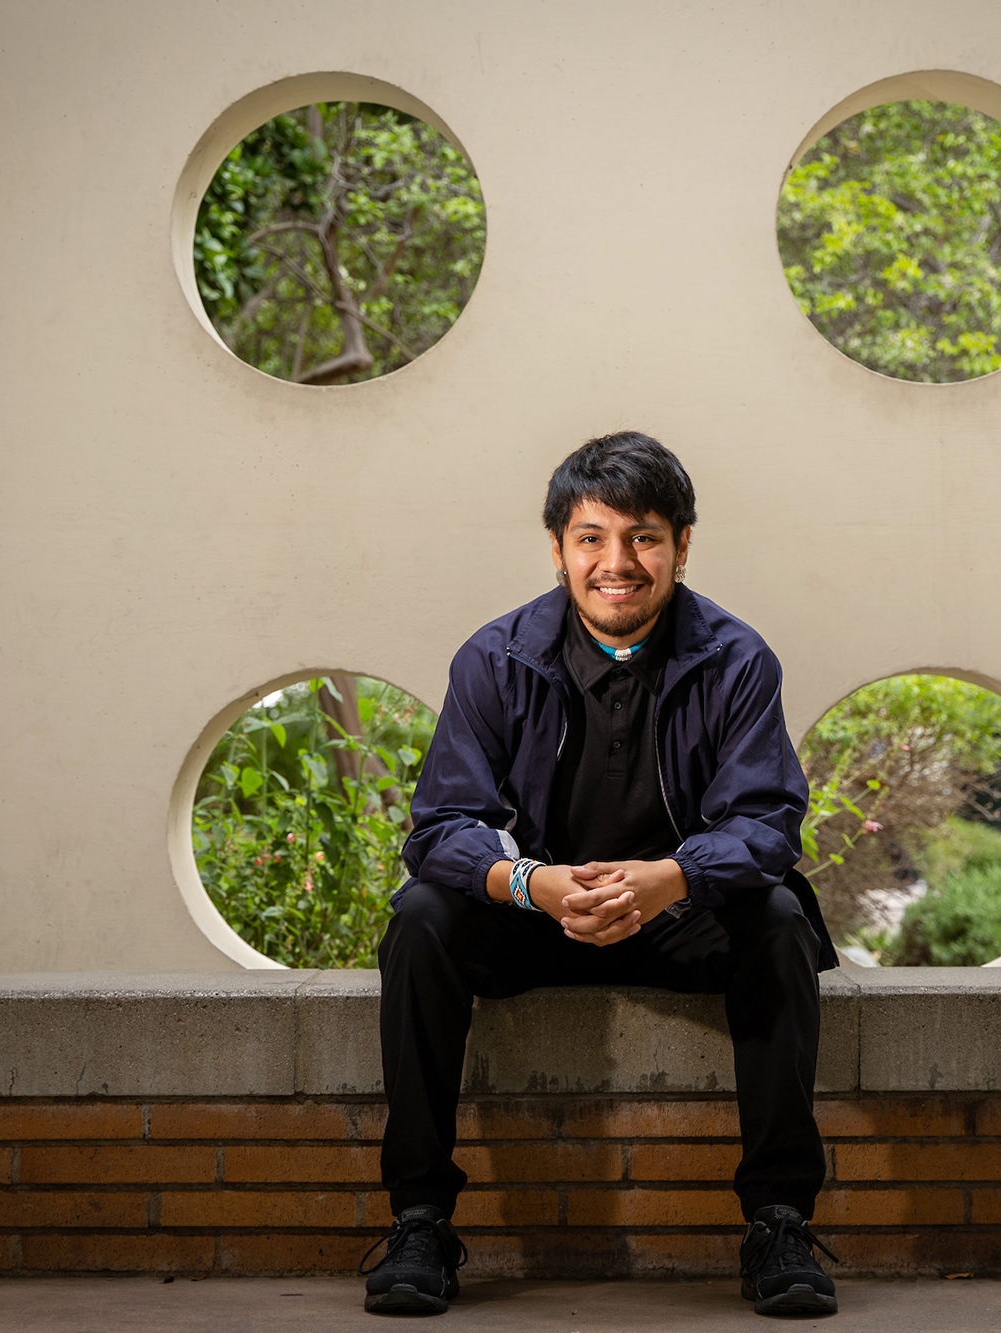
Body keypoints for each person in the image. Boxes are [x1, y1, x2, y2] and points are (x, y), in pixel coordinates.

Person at [359, 431, 842, 1317]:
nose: (617, 563)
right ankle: (419, 1219)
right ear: (558, 549)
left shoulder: (737, 659)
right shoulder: (496, 659)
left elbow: (768, 823)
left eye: (644, 536)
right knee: (424, 916)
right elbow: (440, 827)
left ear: (682, 545)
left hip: (677, 915)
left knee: (776, 918)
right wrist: (530, 883)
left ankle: (778, 1219)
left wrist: (672, 876)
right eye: (591, 538)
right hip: (540, 914)